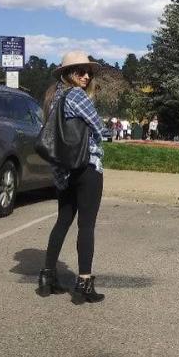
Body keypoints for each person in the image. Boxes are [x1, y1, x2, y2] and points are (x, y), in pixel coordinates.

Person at [38, 50, 106, 304]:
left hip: (63, 170)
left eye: (88, 72)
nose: (86, 76)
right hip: (86, 166)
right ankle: (84, 283)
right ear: (68, 73)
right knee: (86, 225)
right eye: (80, 71)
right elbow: (100, 127)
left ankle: (47, 276)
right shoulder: (77, 95)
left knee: (63, 221)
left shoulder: (52, 97)